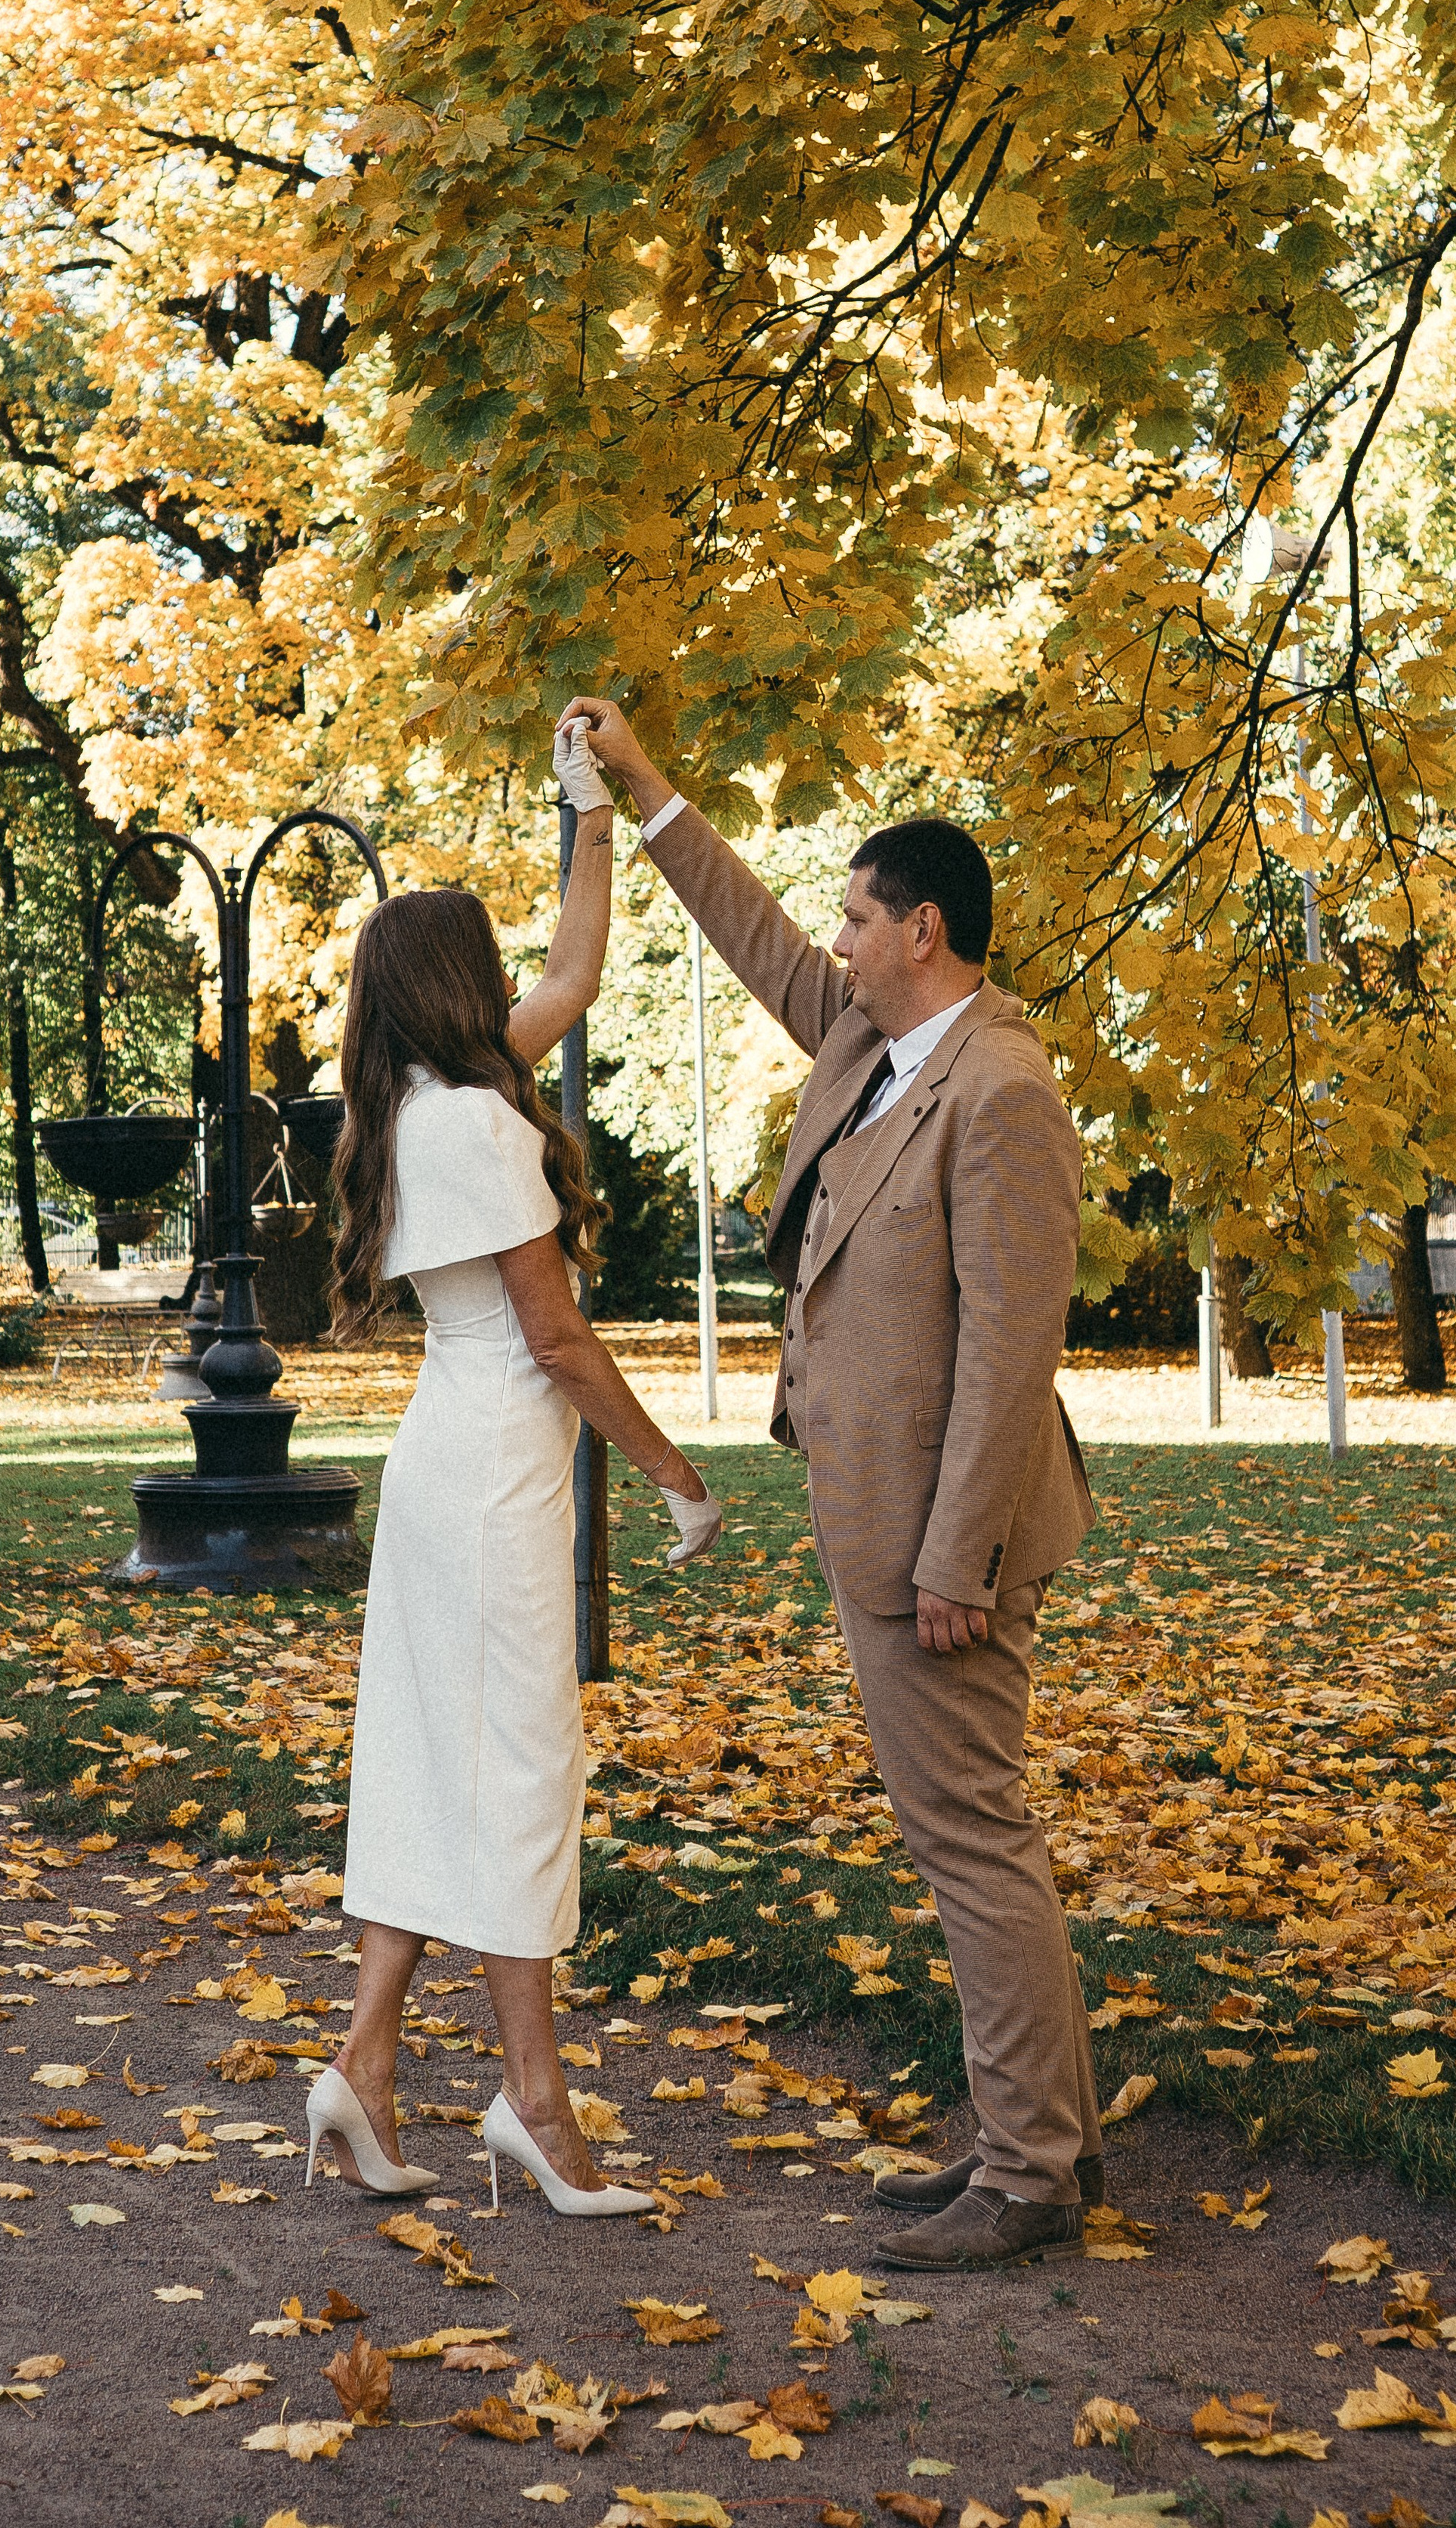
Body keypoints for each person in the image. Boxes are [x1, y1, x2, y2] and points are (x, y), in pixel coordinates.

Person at [558, 692, 1100, 2273]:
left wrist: (953, 1558)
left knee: (968, 1835)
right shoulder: (877, 1035)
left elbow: (1009, 1355)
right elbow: (750, 937)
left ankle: (1028, 2174)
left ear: (919, 929)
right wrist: (647, 790)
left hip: (946, 1537)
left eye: (858, 917)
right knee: (965, 1831)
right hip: (879, 1509)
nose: (835, 941)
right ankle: (1036, 2145)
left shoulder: (998, 1088)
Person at [305, 721, 723, 2220]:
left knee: (433, 1764)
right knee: (517, 1778)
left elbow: (573, 977)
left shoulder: (419, 1104)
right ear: (450, 989)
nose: (510, 986)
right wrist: (676, 1472)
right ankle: (534, 2105)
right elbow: (556, 1339)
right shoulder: (481, 1125)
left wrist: (586, 808)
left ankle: (360, 2066)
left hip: (445, 1468)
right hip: (493, 1477)